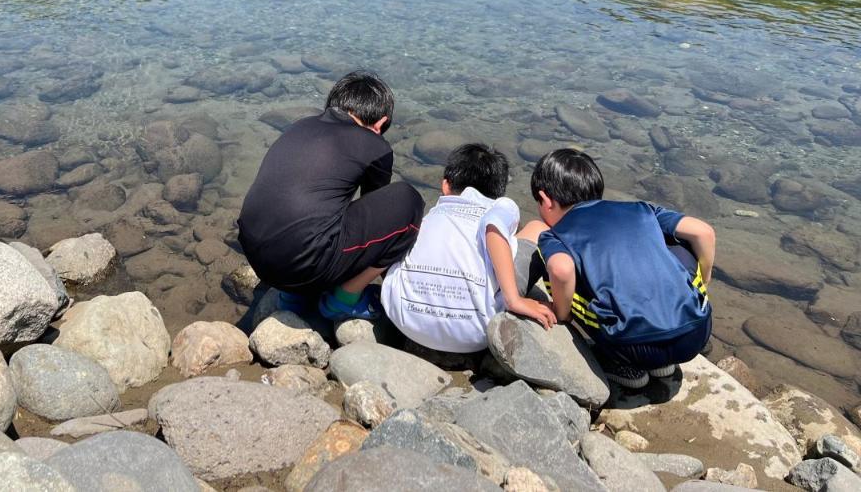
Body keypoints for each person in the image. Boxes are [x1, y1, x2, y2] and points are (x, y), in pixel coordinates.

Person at [237, 71, 425, 321]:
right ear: (380, 124)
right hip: (304, 265)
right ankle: (343, 300)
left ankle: (293, 297)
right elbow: (377, 208)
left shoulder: (301, 125)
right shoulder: (374, 145)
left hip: (256, 256)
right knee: (407, 201)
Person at [522, 148, 715, 388]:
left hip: (632, 347)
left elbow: (561, 269)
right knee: (674, 242)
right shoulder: (643, 209)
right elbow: (703, 232)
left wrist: (563, 315)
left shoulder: (555, 235)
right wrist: (702, 284)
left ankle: (625, 368)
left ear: (546, 200)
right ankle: (663, 361)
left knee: (554, 266)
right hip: (695, 333)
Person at [381, 143, 556, 353]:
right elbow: (494, 227)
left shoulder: (435, 212)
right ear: (500, 191)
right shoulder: (502, 205)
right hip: (475, 332)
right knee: (537, 228)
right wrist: (515, 300)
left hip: (402, 315)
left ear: (445, 186)